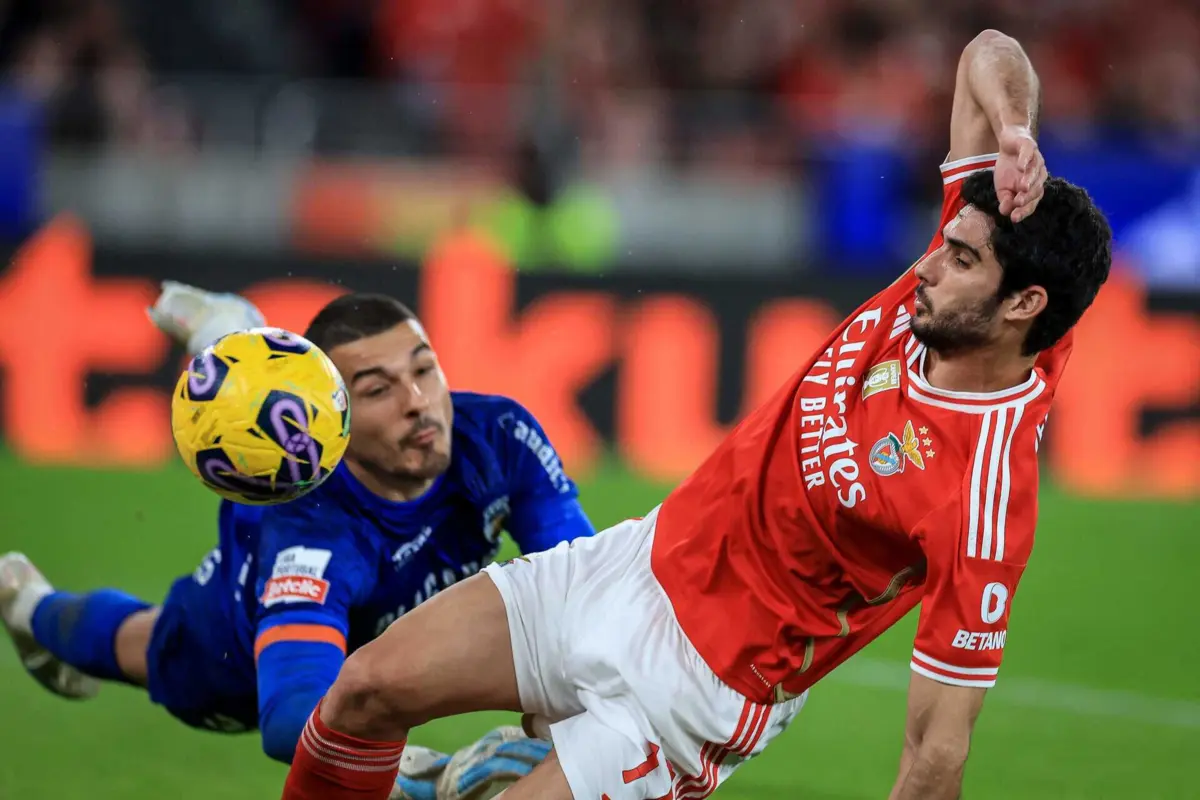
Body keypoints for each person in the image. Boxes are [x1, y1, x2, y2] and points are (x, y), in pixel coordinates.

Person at [276, 29, 1114, 800]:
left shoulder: (981, 495)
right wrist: (1014, 131)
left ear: (1024, 306)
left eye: (961, 259)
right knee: (363, 689)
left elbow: (936, 749)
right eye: (947, 241)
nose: (928, 263)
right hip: (631, 563)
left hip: (692, 694)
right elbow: (987, 53)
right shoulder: (965, 274)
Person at [0, 286, 593, 799]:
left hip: (397, 621)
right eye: (377, 389)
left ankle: (231, 333)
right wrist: (428, 775)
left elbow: (585, 587)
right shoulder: (311, 537)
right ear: (334, 412)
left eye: (423, 368)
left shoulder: (499, 437)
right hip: (232, 644)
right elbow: (291, 715)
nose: (418, 402)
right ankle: (25, 606)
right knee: (150, 646)